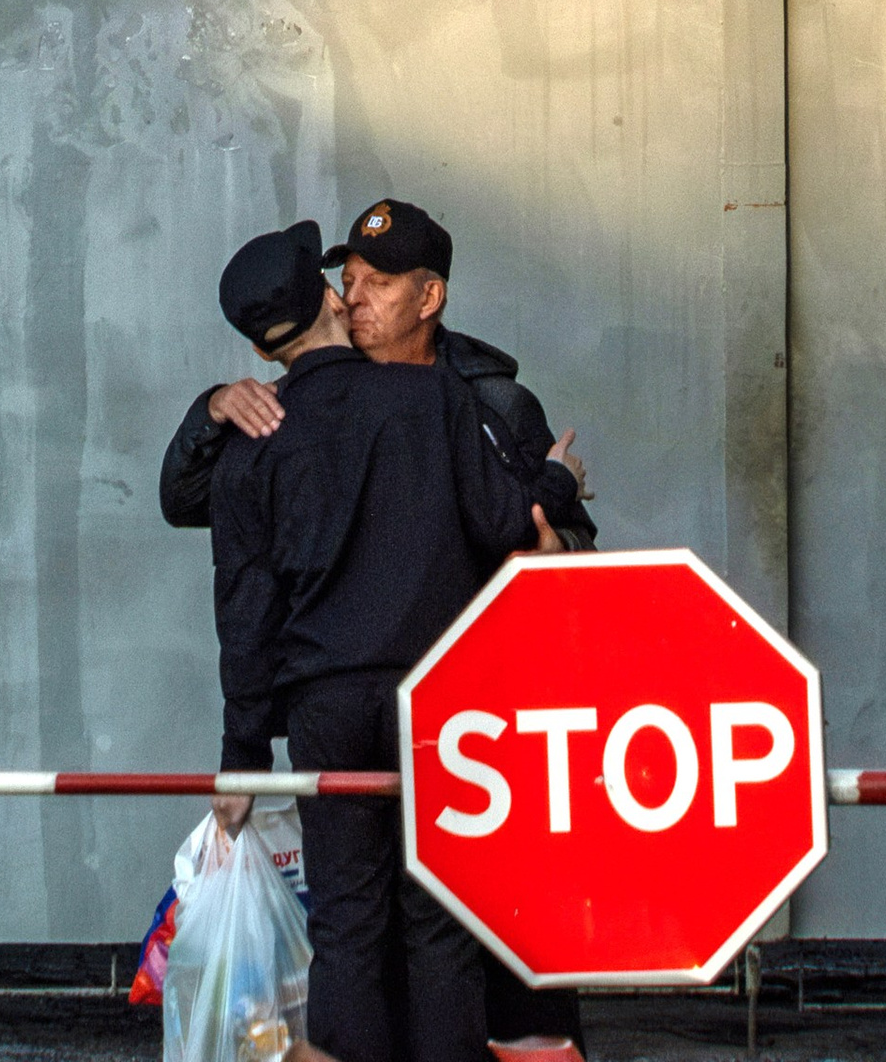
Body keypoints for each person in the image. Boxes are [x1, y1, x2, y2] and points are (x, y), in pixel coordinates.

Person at [205, 218, 544, 1062]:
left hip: (326, 709)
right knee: (442, 926)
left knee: (348, 925)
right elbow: (505, 520)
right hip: (439, 703)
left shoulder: (250, 451)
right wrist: (557, 484)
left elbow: (244, 622)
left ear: (259, 346)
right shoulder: (431, 398)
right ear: (327, 299)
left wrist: (241, 758)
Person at [160, 195, 595, 544]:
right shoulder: (301, 398)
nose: (353, 299)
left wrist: (555, 551)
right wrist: (213, 409)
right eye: (348, 282)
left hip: (475, 643)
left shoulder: (496, 402)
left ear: (429, 299)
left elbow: (579, 540)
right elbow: (186, 503)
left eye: (379, 283)